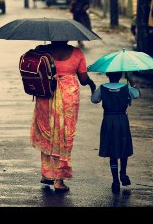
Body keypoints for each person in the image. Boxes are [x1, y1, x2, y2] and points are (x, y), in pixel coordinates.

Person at [30, 41, 96, 193]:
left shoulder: (44, 50)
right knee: (64, 136)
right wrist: (92, 85)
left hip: (46, 95)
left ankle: (47, 174)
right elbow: (84, 79)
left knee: (47, 133)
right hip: (68, 97)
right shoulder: (77, 53)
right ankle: (59, 181)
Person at [91, 71, 140, 195]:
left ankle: (115, 181)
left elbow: (94, 99)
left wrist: (94, 89)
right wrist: (131, 81)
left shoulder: (102, 88)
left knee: (112, 149)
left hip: (108, 120)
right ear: (120, 76)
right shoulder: (126, 87)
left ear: (108, 75)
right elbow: (137, 95)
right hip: (122, 119)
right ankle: (123, 174)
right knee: (123, 146)